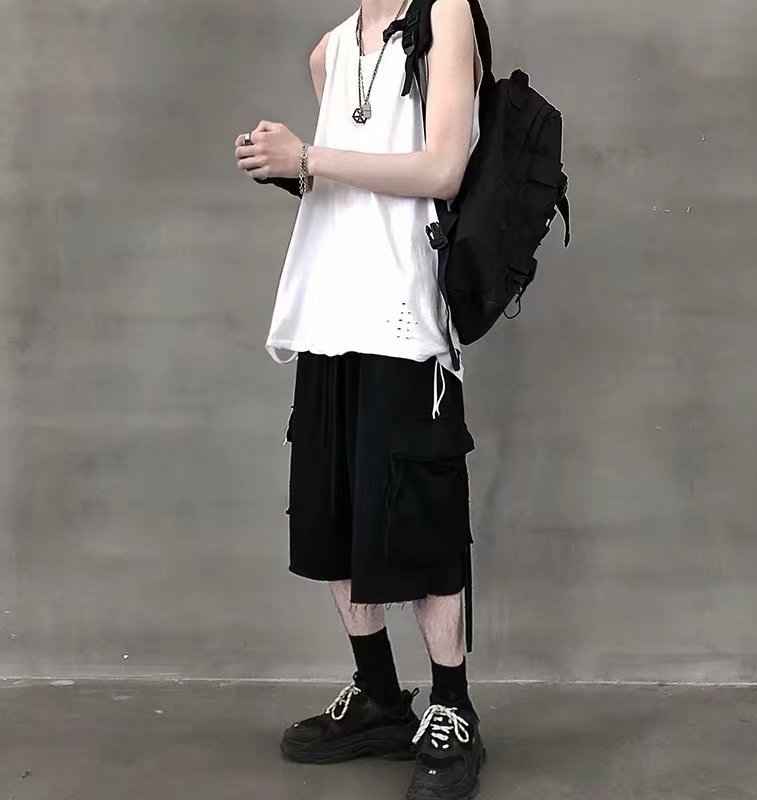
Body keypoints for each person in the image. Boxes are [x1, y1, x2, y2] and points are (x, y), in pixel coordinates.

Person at [234, 0, 487, 796]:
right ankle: (379, 695)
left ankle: (452, 709)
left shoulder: (445, 15)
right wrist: (292, 168)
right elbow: (355, 179)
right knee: (334, 515)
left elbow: (443, 170)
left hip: (404, 320)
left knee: (419, 520)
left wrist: (308, 154)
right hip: (325, 315)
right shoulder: (332, 49)